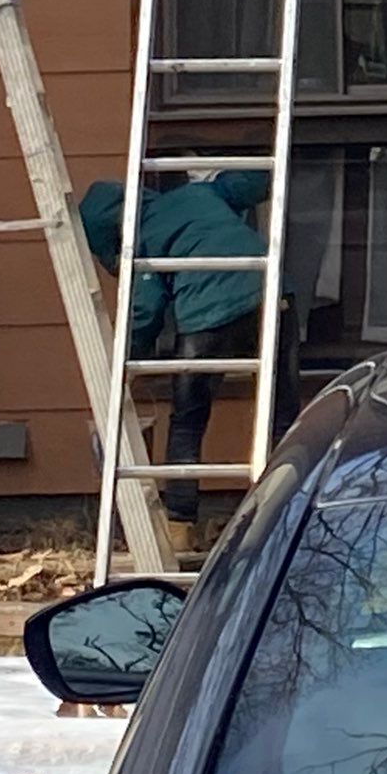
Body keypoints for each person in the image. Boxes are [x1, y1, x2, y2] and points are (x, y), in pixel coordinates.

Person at [79, 170, 285, 553]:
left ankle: (180, 526)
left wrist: (127, 365)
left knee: (188, 418)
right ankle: (288, 514)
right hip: (270, 295)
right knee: (284, 413)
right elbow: (245, 185)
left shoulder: (140, 241)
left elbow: (145, 311)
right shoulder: (198, 194)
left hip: (208, 317)